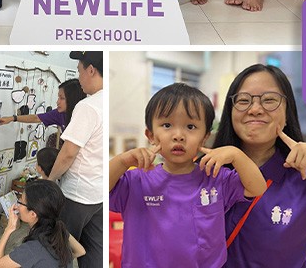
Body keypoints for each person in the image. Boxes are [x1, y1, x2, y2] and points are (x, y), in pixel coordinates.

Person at [213, 64, 306, 267]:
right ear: (230, 112)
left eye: (269, 100)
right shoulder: (206, 171)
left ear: (287, 113)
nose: (254, 109)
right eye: (243, 101)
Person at [109, 83, 266, 267]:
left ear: (205, 136)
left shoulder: (215, 177)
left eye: (191, 127)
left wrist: (236, 154)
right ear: (150, 135)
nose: (178, 135)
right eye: (167, 125)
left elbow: (258, 187)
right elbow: (102, 187)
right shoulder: (137, 180)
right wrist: (122, 161)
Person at [45, 51, 104, 268]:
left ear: (91, 70)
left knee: (59, 251)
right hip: (98, 195)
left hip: (76, 195)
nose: (79, 79)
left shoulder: (88, 106)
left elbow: (69, 152)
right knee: (94, 253)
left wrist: (50, 180)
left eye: (79, 71)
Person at [0, 179, 85, 268]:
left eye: (20, 201)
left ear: (33, 214)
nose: (17, 204)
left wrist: (9, 229)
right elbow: (80, 251)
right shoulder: (59, 230)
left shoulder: (32, 248)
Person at [0, 78, 86, 131]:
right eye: (58, 97)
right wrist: (13, 118)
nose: (57, 102)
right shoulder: (60, 114)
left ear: (72, 99)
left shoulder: (84, 118)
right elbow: (36, 118)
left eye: (62, 98)